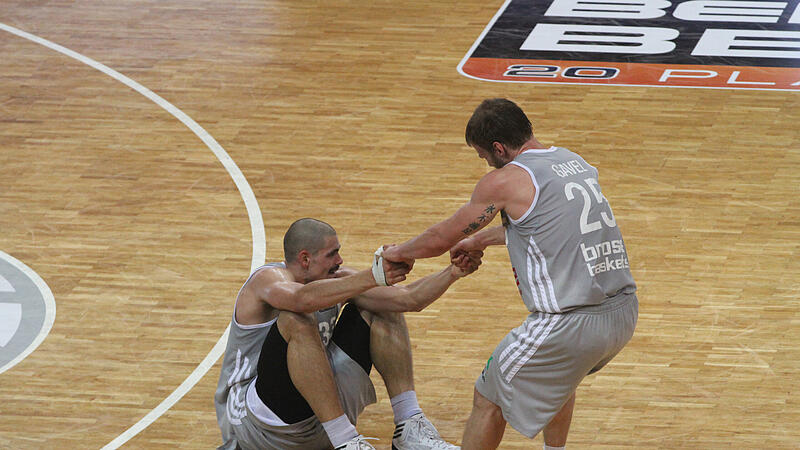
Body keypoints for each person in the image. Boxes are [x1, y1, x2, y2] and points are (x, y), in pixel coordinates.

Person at [381, 98, 639, 450]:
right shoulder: (574, 162)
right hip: (622, 313)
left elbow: (442, 238)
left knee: (489, 396)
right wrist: (480, 239)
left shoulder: (504, 181)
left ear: (499, 148)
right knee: (559, 378)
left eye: (484, 155)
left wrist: (397, 252)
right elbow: (546, 227)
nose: (486, 163)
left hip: (569, 323)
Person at [215, 218, 481, 450]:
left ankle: (409, 426)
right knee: (296, 319)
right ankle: (346, 441)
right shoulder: (268, 279)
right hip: (259, 427)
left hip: (320, 423)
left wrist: (453, 273)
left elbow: (407, 299)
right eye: (333, 254)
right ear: (305, 259)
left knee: (382, 305)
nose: (340, 261)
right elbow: (300, 300)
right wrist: (374, 275)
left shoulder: (337, 279)